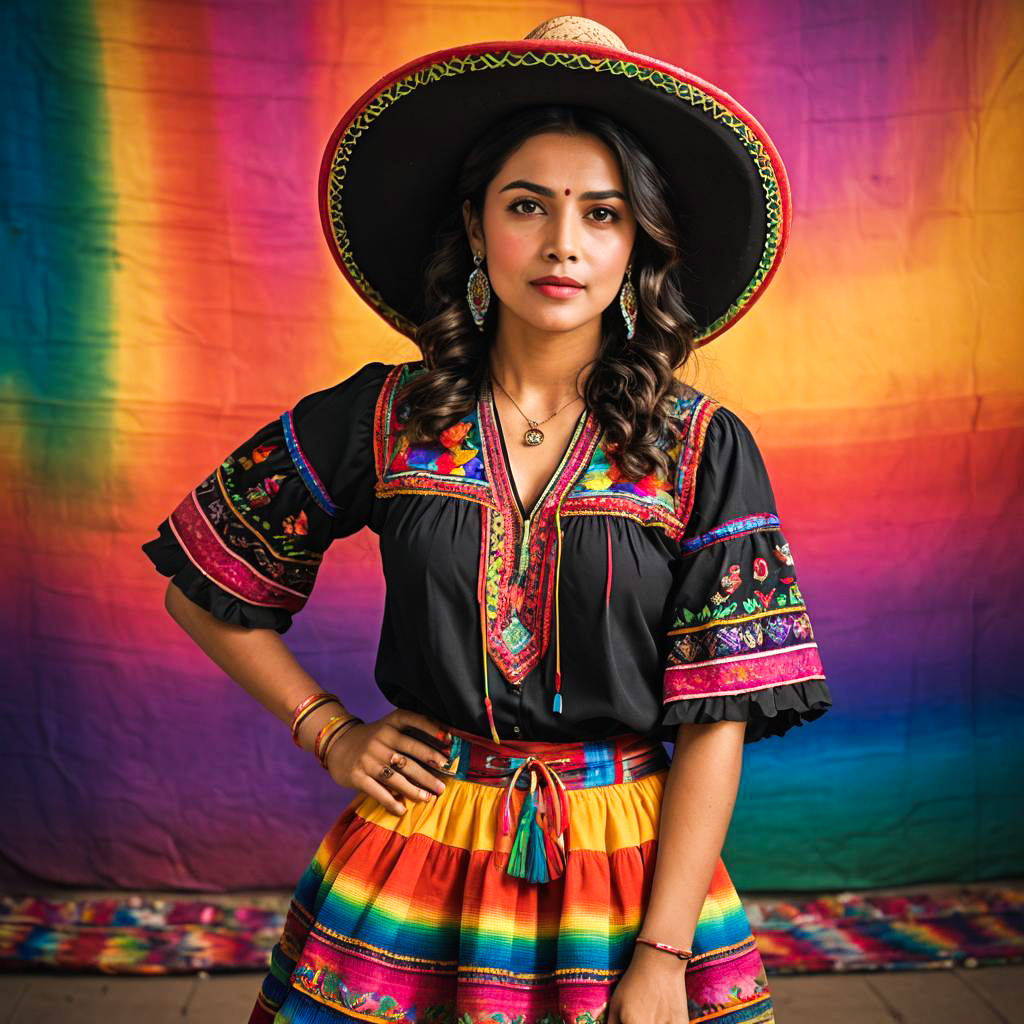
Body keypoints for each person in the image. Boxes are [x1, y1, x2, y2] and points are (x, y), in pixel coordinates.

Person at [142, 16, 832, 1024]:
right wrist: (328, 731)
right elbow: (201, 583)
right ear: (476, 228)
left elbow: (716, 718)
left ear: (637, 241)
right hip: (412, 855)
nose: (563, 244)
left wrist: (660, 954)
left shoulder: (702, 446)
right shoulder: (384, 415)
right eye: (527, 206)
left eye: (601, 214)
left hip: (630, 868)